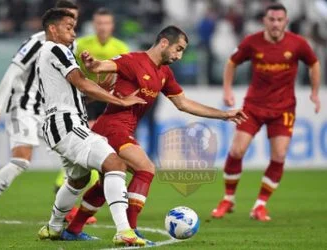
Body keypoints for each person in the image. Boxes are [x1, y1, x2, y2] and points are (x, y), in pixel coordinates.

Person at [60, 25, 248, 242]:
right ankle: (130, 231)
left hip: (121, 129)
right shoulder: (133, 60)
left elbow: (183, 103)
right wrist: (94, 64)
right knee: (146, 168)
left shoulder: (164, 73)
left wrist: (224, 115)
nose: (179, 55)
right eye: (178, 49)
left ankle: (73, 230)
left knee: (106, 184)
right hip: (112, 127)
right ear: (164, 43)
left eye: (182, 51)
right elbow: (104, 66)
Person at [36, 8, 147, 246]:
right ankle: (124, 231)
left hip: (58, 124)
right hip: (66, 122)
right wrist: (120, 100)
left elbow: (78, 91)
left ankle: (54, 227)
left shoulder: (48, 53)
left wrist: (103, 90)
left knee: (78, 180)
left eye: (74, 27)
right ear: (52, 29)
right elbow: (81, 83)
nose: (73, 33)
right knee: (115, 163)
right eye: (68, 27)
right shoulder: (57, 49)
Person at [211, 3, 320, 221]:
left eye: (280, 20)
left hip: (283, 108)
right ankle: (228, 199)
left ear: (286, 22)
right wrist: (227, 90)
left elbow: (314, 64)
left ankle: (260, 205)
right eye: (272, 19)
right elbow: (231, 63)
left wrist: (315, 92)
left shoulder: (298, 43)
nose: (276, 24)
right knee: (236, 150)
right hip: (254, 106)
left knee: (279, 155)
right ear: (265, 21)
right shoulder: (252, 42)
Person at [0, 0, 79, 229]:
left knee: (74, 157)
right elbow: (12, 73)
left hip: (48, 111)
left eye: (74, 23)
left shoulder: (71, 46)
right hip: (24, 107)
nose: (72, 28)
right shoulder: (36, 42)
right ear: (55, 24)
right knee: (21, 160)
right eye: (68, 23)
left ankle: (69, 210)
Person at [53, 8, 129, 222]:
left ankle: (68, 188)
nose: (103, 27)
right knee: (93, 144)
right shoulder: (82, 45)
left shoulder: (120, 47)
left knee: (98, 146)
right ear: (94, 25)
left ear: (111, 26)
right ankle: (65, 185)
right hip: (86, 101)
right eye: (99, 23)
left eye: (106, 23)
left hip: (108, 100)